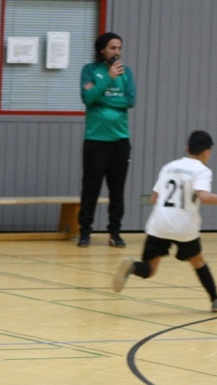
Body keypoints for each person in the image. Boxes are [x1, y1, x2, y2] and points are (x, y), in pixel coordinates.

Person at [112, 130, 217, 312]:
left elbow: (154, 198)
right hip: (184, 226)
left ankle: (132, 266)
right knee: (198, 262)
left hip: (159, 224)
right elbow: (204, 197)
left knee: (149, 270)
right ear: (207, 152)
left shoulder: (169, 167)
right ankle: (216, 301)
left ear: (187, 148)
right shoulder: (202, 170)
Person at [77, 32, 135, 248]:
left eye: (119, 48)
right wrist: (108, 79)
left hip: (120, 139)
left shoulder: (126, 72)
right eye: (112, 48)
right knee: (91, 188)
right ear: (102, 50)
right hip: (96, 139)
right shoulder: (90, 71)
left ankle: (115, 232)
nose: (117, 52)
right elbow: (87, 98)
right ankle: (85, 232)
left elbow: (130, 101)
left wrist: (101, 98)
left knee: (117, 190)